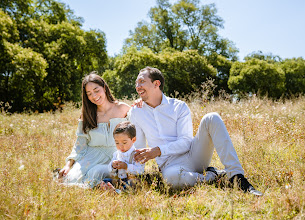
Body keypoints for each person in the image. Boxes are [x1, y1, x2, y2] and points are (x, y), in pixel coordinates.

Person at [130, 66, 263, 196]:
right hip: (170, 166)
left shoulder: (179, 106)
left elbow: (186, 142)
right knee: (171, 178)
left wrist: (158, 150)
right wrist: (134, 177)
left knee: (212, 117)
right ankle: (213, 176)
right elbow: (138, 148)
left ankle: (237, 177)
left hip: (193, 155)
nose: (137, 86)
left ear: (156, 84)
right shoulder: (136, 112)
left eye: (141, 81)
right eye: (136, 83)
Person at [58, 72, 130, 188]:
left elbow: (137, 130)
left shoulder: (123, 108)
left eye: (96, 90)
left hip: (114, 157)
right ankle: (100, 186)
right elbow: (80, 144)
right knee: (70, 179)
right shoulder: (87, 115)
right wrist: (68, 165)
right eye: (89, 93)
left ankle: (103, 187)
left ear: (105, 88)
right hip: (90, 157)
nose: (94, 96)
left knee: (95, 173)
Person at [104, 121, 144, 188]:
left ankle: (118, 191)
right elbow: (110, 170)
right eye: (117, 143)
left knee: (132, 184)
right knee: (106, 180)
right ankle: (107, 187)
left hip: (131, 180)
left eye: (124, 143)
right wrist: (113, 165)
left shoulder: (136, 154)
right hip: (119, 179)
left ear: (133, 140)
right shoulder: (116, 154)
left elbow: (140, 171)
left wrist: (126, 166)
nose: (120, 146)